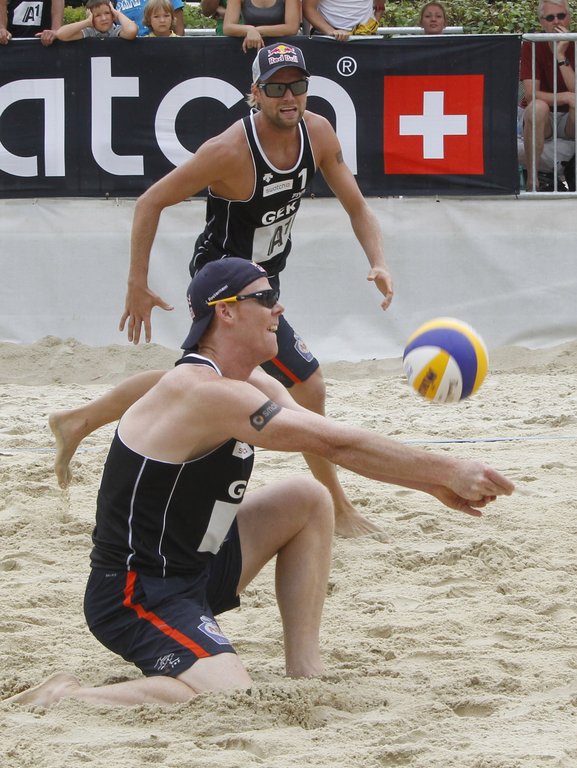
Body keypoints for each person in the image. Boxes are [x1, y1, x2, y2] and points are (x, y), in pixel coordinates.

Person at [6, 258, 515, 708]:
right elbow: (337, 444)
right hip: (137, 592)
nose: (279, 308)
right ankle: (66, 697)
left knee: (307, 498)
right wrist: (446, 471)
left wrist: (430, 483)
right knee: (230, 696)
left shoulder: (247, 381)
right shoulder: (204, 392)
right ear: (226, 311)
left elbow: (326, 439)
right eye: (266, 297)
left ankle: (305, 668)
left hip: (197, 568)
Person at [50, 43, 394, 540]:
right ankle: (337, 506)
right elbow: (150, 202)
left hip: (263, 280)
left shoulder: (317, 132)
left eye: (297, 85)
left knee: (201, 381)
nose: (289, 96)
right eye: (276, 87)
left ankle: (79, 421)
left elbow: (357, 207)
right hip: (224, 283)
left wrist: (378, 260)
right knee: (306, 384)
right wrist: (136, 284)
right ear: (255, 92)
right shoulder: (229, 150)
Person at [520, 0, 575, 191]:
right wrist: (566, 97)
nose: (556, 21)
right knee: (538, 107)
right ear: (542, 22)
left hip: (570, 119)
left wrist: (561, 56)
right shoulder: (532, 44)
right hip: (543, 119)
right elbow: (531, 95)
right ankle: (532, 181)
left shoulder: (575, 41)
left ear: (569, 18)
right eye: (550, 17)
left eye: (561, 16)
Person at [223, 0, 300, 52]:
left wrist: (257, 31)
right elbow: (227, 27)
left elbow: (292, 28)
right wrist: (249, 29)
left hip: (282, 48)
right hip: (251, 47)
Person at [55, 0, 138, 41]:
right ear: (91, 17)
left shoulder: (116, 31)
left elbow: (132, 31)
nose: (104, 18)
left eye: (107, 13)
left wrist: (118, 14)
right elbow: (61, 34)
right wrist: (87, 22)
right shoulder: (89, 32)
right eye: (98, 15)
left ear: (112, 14)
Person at [302, 0, 384, 40]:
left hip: (365, 36)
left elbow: (379, 7)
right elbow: (308, 9)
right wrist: (331, 31)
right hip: (328, 37)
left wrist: (372, 25)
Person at [115, 0, 184, 37]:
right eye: (156, 16)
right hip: (128, 48)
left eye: (166, 16)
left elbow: (179, 28)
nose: (162, 20)